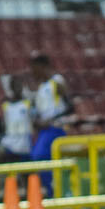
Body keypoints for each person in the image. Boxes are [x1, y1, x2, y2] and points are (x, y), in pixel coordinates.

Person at [28, 54, 73, 194]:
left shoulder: (57, 82)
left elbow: (70, 107)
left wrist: (52, 119)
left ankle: (57, 190)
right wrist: (37, 121)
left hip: (55, 129)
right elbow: (40, 111)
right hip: (44, 130)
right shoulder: (41, 87)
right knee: (38, 159)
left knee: (39, 156)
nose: (33, 73)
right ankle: (53, 190)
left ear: (43, 67)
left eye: (34, 69)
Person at [0, 76, 33, 161]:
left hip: (25, 137)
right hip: (11, 137)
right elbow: (4, 123)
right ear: (11, 88)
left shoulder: (27, 103)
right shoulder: (6, 105)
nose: (18, 88)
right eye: (16, 86)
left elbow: (34, 120)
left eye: (20, 85)